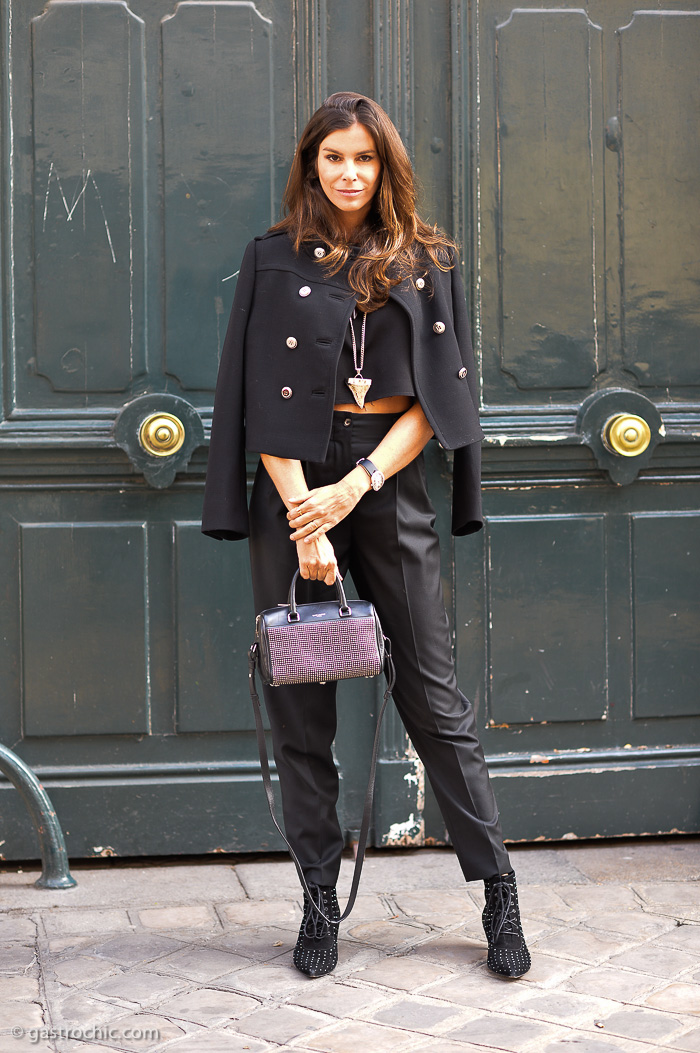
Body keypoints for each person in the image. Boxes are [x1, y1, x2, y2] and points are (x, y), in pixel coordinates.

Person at [202, 91, 530, 980]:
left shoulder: (428, 262)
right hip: (293, 483)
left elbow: (436, 402)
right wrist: (307, 514)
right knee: (301, 698)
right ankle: (318, 898)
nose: (348, 174)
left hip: (384, 476)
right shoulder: (273, 258)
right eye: (332, 158)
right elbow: (254, 396)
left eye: (364, 159)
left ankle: (498, 890)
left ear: (387, 167)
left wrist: (356, 486)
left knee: (434, 696)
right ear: (311, 164)